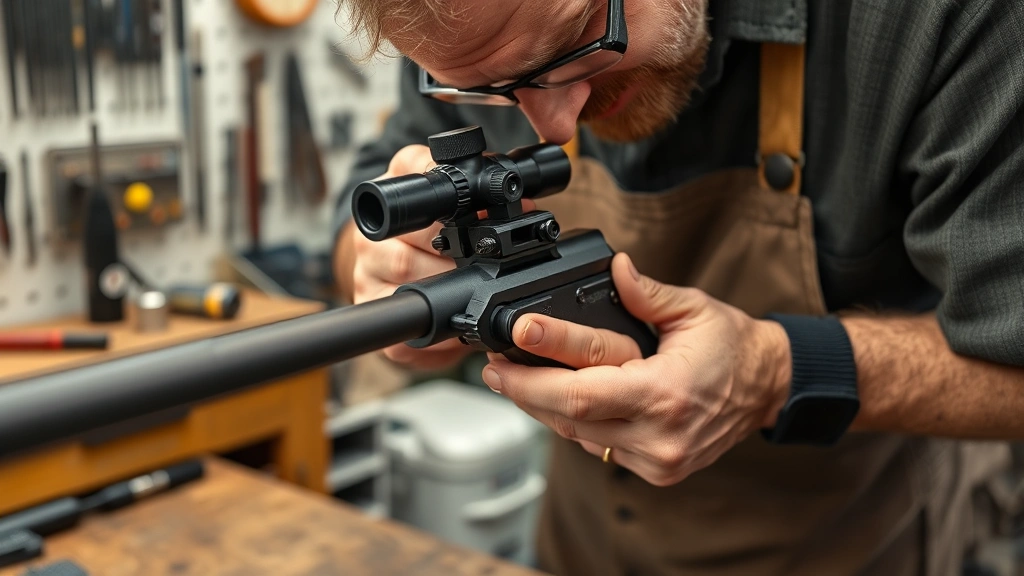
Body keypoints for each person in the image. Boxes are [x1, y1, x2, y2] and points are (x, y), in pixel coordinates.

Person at [331, 0, 1024, 574]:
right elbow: (362, 226)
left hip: (852, 545)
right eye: (496, 92)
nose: (553, 126)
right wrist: (386, 271)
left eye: (577, 44)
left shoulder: (940, 20)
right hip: (579, 543)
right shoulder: (471, 29)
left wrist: (774, 372)